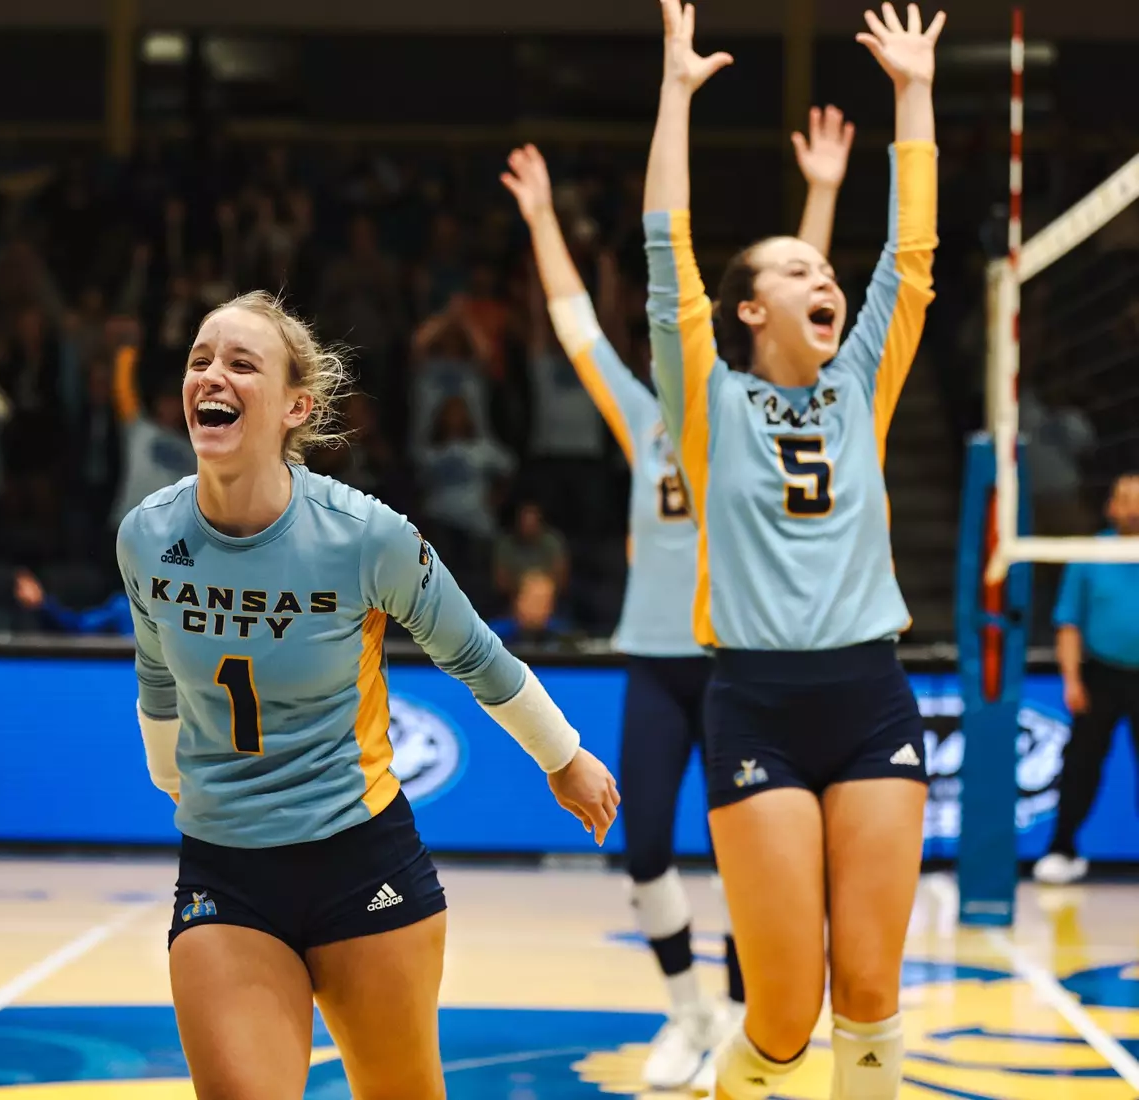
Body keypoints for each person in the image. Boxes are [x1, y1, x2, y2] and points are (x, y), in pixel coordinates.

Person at [115, 289, 621, 1100]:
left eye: (243, 363)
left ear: (294, 406)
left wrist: (563, 759)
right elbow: (155, 671)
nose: (213, 374)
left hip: (360, 860)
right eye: (201, 359)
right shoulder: (146, 534)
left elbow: (476, 654)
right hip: (225, 871)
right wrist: (172, 778)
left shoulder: (364, 536)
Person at [501, 105, 855, 1090]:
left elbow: (790, 304)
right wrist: (539, 218)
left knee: (757, 863)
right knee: (644, 843)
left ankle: (745, 1022)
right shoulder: (649, 411)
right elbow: (575, 323)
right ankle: (686, 1010)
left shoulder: (762, 409)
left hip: (744, 658)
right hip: (656, 655)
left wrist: (821, 193)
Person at [641, 3, 942, 1098]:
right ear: (747, 307)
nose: (826, 280)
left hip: (869, 692)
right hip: (757, 701)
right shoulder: (708, 400)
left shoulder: (860, 382)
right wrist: (674, 95)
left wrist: (913, 91)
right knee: (782, 1010)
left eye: (827, 271)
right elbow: (663, 254)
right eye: (798, 271)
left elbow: (908, 259)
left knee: (869, 992)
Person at [1036, 473, 1139, 885]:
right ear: (1110, 507)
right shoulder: (1089, 553)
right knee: (1081, 765)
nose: (1133, 506)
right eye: (1125, 498)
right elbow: (1068, 623)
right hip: (1101, 674)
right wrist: (1071, 679)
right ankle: (1062, 848)